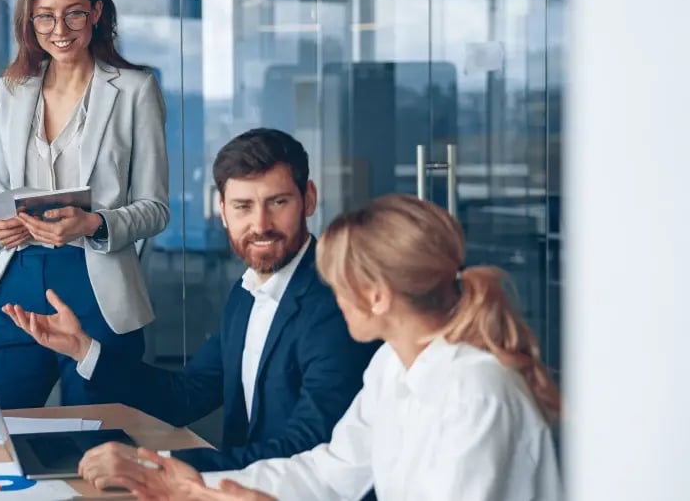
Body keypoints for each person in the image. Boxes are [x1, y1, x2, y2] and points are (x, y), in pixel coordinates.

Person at [117, 194, 564, 501]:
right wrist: (200, 486)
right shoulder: (393, 363)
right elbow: (329, 472)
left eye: (338, 281)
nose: (330, 293)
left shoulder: (476, 389)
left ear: (377, 295)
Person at [2, 128, 376, 480]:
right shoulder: (249, 291)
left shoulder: (336, 303)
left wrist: (155, 467)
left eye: (277, 203)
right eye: (243, 206)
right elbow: (186, 396)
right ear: (223, 210)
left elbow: (307, 448)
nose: (260, 224)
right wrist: (83, 349)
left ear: (308, 199)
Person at [0, 0, 170, 410]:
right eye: (45, 17)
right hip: (20, 282)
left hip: (98, 290)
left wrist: (92, 223)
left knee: (100, 440)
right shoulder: (10, 90)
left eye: (73, 13)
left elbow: (155, 208)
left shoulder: (135, 90)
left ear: (96, 13)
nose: (59, 29)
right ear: (30, 22)